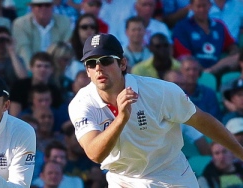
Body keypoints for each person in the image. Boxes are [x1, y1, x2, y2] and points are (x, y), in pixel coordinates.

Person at [68, 33, 243, 186]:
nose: (98, 68)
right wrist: (121, 118)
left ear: (122, 63)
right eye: (91, 63)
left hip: (171, 175)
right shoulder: (81, 104)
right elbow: (94, 154)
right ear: (87, 70)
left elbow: (201, 120)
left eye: (106, 60)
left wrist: (240, 153)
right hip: (122, 179)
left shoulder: (160, 91)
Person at [12, 0, 71, 68]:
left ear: (52, 7)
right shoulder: (20, 24)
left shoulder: (64, 21)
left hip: (58, 68)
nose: (44, 8)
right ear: (32, 8)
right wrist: (33, 71)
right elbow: (24, 51)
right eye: (39, 5)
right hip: (32, 70)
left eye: (47, 5)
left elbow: (66, 49)